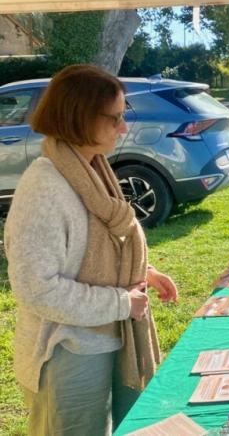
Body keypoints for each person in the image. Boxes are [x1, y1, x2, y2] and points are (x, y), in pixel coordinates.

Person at [4, 64, 178, 435]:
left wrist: (142, 274)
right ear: (79, 117)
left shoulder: (92, 169)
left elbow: (91, 254)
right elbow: (36, 288)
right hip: (68, 351)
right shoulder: (44, 186)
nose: (123, 127)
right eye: (114, 118)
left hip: (106, 337)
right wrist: (120, 301)